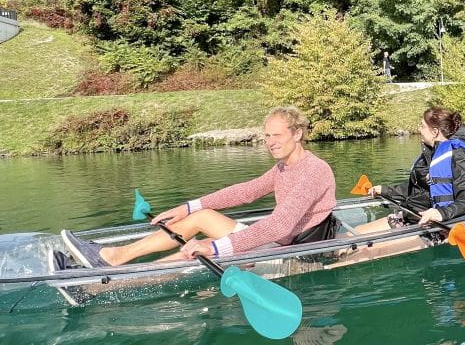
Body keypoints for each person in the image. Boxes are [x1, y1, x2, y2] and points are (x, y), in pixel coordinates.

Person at [59, 106, 338, 268]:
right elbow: (245, 191)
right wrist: (187, 207)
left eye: (277, 135)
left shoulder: (313, 170)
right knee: (201, 217)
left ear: (298, 133)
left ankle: (109, 281)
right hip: (276, 242)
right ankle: (115, 257)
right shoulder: (284, 167)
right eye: (266, 135)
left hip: (295, 258)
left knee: (191, 249)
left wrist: (213, 248)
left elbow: (279, 226)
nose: (270, 142)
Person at [334, 108, 465, 266]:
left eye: (421, 126)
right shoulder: (430, 154)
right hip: (410, 218)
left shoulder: (461, 156)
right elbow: (417, 190)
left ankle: (327, 277)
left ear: (435, 131)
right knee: (345, 240)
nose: (418, 130)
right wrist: (385, 190)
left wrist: (441, 213)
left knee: (366, 252)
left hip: (436, 228)